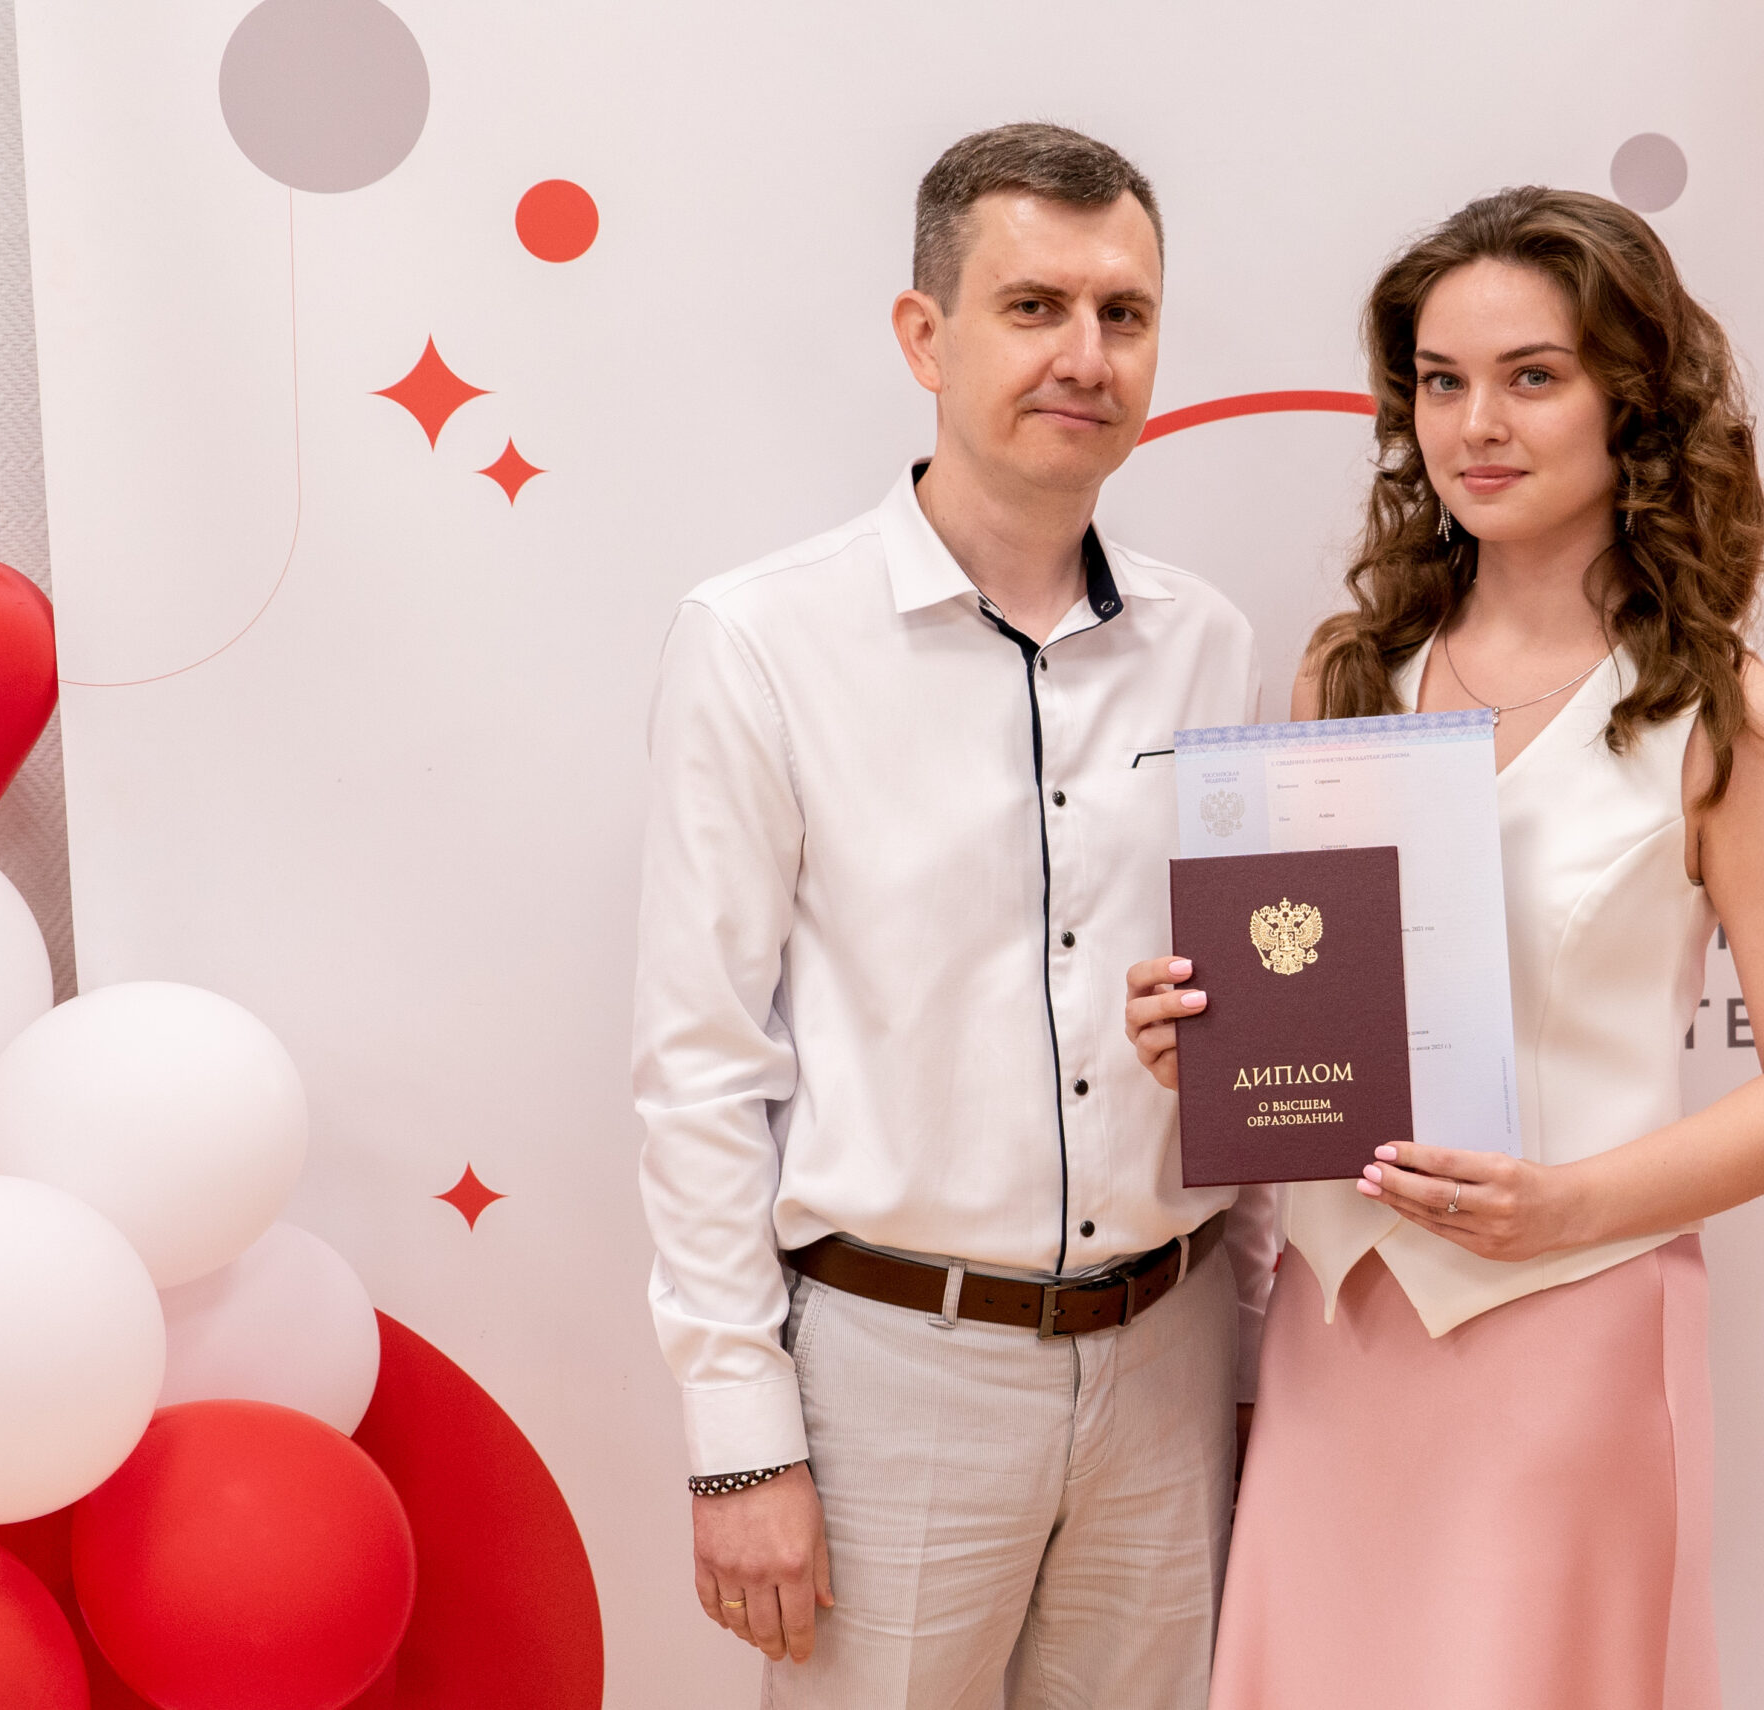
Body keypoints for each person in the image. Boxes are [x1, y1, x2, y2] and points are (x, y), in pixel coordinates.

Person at [1126, 186, 1764, 1709]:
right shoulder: (1351, 668)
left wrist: (1570, 1207)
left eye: (1533, 376)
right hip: (1339, 1327)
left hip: (1569, 1333)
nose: (1478, 425)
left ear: (1633, 402)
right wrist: (1201, 1039)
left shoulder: (1724, 716)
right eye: (1442, 380)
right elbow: (1306, 1015)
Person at [634, 122, 1275, 1709]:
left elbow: (1248, 1039)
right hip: (894, 1372)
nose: (1086, 355)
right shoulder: (761, 640)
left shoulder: (1212, 643)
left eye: (1124, 313)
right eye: (1034, 306)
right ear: (926, 335)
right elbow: (702, 1064)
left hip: (1174, 1354)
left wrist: (1259, 1358)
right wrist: (739, 1442)